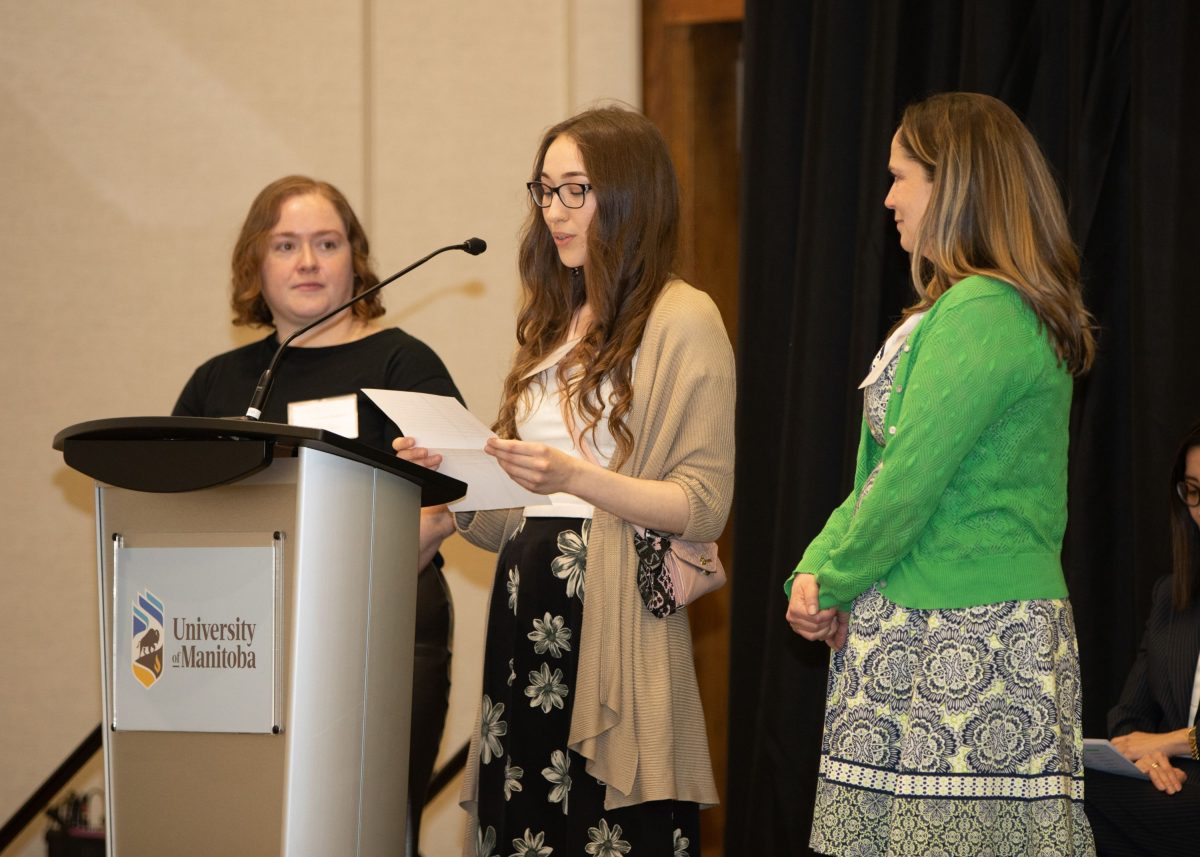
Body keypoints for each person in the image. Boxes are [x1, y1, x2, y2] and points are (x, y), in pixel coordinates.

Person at [396, 106, 735, 857]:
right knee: (527, 825)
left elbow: (703, 504)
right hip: (527, 604)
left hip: (612, 609)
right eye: (545, 190)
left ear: (630, 194)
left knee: (601, 829)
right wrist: (454, 475)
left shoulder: (684, 317)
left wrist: (576, 476)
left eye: (575, 189)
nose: (554, 210)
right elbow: (509, 512)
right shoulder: (555, 319)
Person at [784, 92, 1098, 855]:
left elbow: (909, 482)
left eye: (901, 177)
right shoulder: (952, 310)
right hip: (917, 625)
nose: (888, 198)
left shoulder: (985, 309)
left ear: (952, 184)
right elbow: (881, 472)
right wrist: (814, 568)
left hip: (972, 633)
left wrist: (832, 579)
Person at [172, 175, 460, 848]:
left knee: (367, 829)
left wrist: (353, 579)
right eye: (286, 245)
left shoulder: (402, 362)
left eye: (327, 243)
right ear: (255, 263)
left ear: (355, 259)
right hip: (237, 637)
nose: (307, 261)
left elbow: (455, 502)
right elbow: (176, 510)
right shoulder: (219, 380)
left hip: (379, 630)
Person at [1083, 421, 1200, 855]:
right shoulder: (1172, 596)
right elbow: (1129, 716)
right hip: (1175, 782)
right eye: (1194, 491)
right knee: (1066, 784)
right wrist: (1150, 758)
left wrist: (1171, 741)